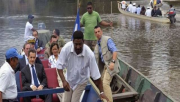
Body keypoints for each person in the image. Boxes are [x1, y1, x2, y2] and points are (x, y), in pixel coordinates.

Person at [56, 31, 109, 102]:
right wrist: (64, 81)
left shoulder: (89, 54)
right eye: (76, 44)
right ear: (72, 42)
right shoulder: (66, 49)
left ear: (83, 42)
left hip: (81, 81)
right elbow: (59, 66)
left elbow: (96, 76)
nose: (78, 47)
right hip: (69, 80)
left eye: (80, 44)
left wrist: (102, 92)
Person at [94, 26, 120, 102]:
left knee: (105, 83)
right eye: (96, 32)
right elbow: (93, 56)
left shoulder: (107, 40)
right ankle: (104, 99)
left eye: (99, 31)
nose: (97, 33)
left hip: (111, 66)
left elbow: (115, 51)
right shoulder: (97, 45)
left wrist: (113, 62)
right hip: (105, 66)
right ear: (94, 34)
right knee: (100, 82)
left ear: (101, 32)